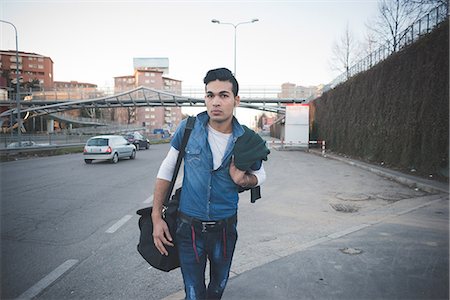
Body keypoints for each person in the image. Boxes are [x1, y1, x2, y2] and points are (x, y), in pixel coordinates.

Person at [152, 67, 268, 300]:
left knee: (217, 289)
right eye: (210, 95)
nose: (215, 101)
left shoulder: (246, 138)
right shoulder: (188, 129)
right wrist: (157, 217)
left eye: (223, 95)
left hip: (224, 228)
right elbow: (166, 170)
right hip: (188, 228)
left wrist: (244, 179)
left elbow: (261, 173)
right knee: (194, 293)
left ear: (236, 100)